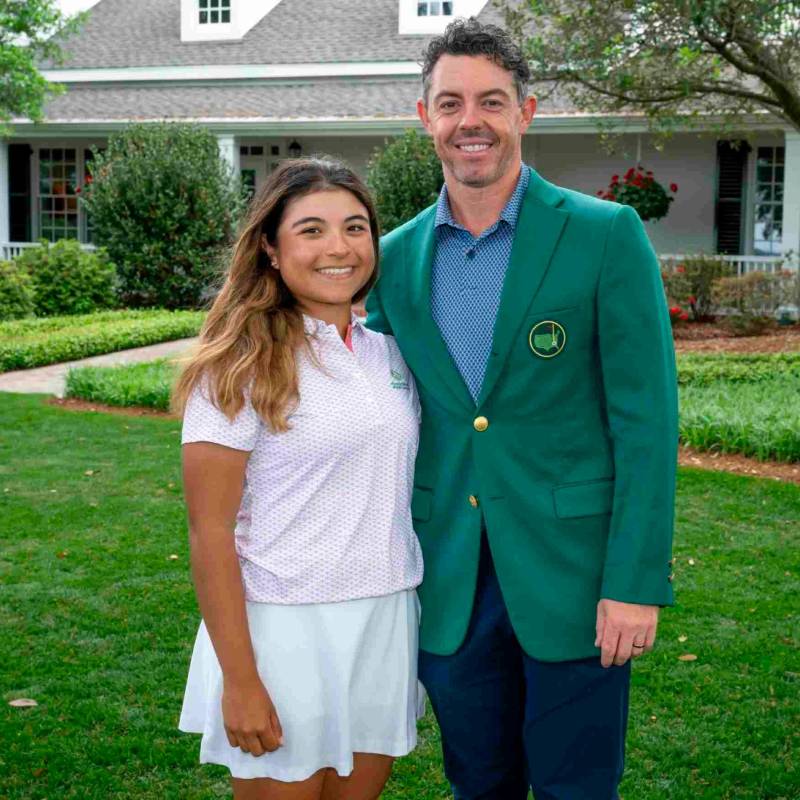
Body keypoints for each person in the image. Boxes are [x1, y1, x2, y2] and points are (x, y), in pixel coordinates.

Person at [366, 18, 678, 800]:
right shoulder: (393, 258)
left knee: (578, 788)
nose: (469, 121)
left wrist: (635, 580)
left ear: (525, 113)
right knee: (479, 785)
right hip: (449, 577)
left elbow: (645, 425)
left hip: (575, 580)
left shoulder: (605, 236)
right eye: (450, 103)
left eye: (491, 101)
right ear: (425, 117)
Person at [173, 157, 424, 800]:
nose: (339, 247)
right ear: (271, 248)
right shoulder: (235, 367)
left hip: (385, 618)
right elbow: (209, 533)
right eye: (311, 230)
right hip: (282, 631)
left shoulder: (390, 352)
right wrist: (241, 679)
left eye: (355, 227)